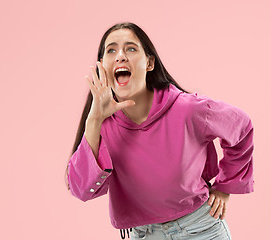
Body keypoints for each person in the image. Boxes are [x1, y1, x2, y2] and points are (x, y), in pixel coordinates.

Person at [65, 22, 254, 240]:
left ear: (150, 63)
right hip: (144, 235)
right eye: (111, 50)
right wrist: (95, 118)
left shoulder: (186, 109)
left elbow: (241, 126)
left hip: (199, 229)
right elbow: (80, 189)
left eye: (131, 48)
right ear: (102, 67)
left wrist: (226, 185)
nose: (120, 56)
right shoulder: (102, 125)